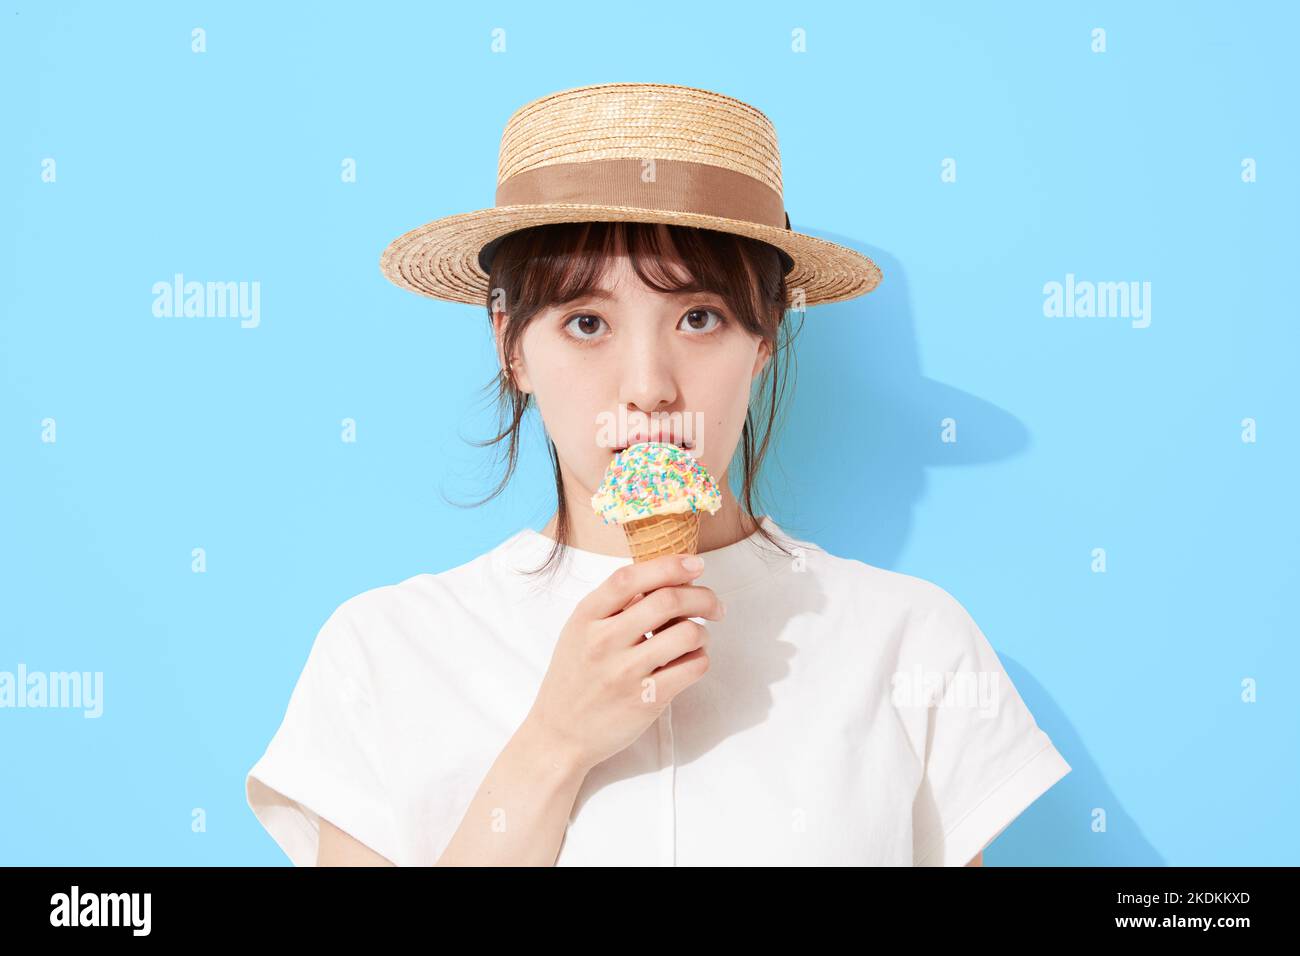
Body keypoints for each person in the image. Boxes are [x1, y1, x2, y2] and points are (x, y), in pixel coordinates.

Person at [245, 83, 1071, 866]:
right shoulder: (385, 652)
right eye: (586, 321)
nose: (648, 388)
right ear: (510, 345)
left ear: (765, 337)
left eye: (698, 316)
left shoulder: (913, 642)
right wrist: (555, 742)